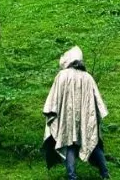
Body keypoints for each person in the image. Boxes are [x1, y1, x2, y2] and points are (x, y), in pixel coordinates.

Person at [43, 45, 110, 180]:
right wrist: (98, 114)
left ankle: (72, 176)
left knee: (70, 144)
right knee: (93, 143)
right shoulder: (88, 77)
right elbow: (97, 99)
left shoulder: (61, 76)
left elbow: (53, 99)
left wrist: (51, 112)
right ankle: (105, 174)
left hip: (67, 119)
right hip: (86, 118)